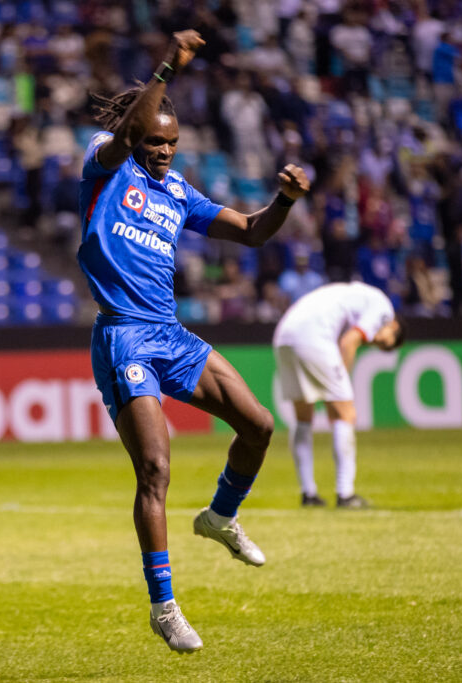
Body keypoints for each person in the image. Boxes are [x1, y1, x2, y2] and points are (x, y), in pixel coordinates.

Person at [77, 30, 310, 654]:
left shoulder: (178, 193)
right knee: (154, 466)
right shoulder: (105, 164)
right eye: (156, 142)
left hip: (171, 334)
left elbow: (253, 232)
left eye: (172, 144)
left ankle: (221, 517)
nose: (163, 152)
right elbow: (126, 134)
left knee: (259, 426)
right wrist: (167, 68)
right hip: (124, 336)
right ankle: (164, 606)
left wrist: (282, 201)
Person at [272, 282, 405, 508]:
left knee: (303, 418)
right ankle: (346, 494)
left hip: (284, 335)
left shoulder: (353, 294)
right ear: (393, 324)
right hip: (312, 336)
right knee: (346, 415)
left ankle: (309, 494)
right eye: (383, 341)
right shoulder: (384, 308)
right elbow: (349, 341)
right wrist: (341, 385)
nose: (374, 341)